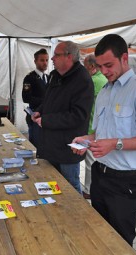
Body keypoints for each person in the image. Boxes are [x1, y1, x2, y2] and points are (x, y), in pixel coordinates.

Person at [72, 34, 136, 251]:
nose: (104, 71)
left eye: (108, 65)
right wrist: (86, 139)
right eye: (100, 66)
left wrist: (115, 144)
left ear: (125, 58)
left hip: (125, 182)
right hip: (100, 174)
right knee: (100, 235)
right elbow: (101, 133)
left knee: (121, 244)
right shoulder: (105, 91)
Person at [32, 41, 94, 193]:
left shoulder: (82, 80)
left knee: (70, 186)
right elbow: (48, 100)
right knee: (51, 185)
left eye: (56, 55)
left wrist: (47, 120)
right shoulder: (56, 75)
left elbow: (78, 115)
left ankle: (77, 217)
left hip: (68, 149)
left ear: (69, 57)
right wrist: (40, 111)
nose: (52, 59)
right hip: (50, 144)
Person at [82, 54, 107, 199]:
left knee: (90, 162)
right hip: (99, 128)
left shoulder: (94, 81)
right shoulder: (103, 80)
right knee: (96, 161)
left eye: (85, 67)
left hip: (92, 127)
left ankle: (88, 190)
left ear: (91, 66)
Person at [22, 48, 49, 148]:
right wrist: (46, 102)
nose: (45, 63)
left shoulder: (48, 77)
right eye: (42, 60)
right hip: (34, 116)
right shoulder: (29, 78)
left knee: (45, 145)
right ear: (35, 61)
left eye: (46, 60)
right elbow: (26, 98)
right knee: (35, 145)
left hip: (46, 117)